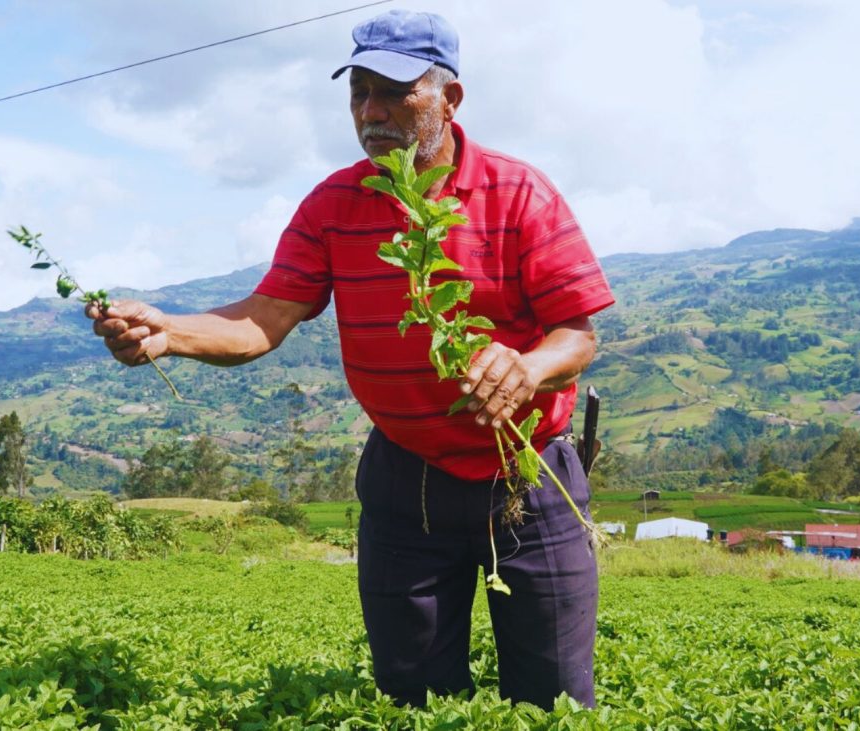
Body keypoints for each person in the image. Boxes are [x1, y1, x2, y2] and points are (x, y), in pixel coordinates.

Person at [88, 9, 614, 709]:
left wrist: (526, 366)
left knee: (554, 700)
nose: (373, 112)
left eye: (397, 91)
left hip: (527, 474)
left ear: (449, 99)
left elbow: (577, 335)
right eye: (360, 92)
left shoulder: (520, 193)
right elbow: (264, 318)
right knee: (413, 695)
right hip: (407, 482)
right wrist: (169, 332)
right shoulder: (334, 205)